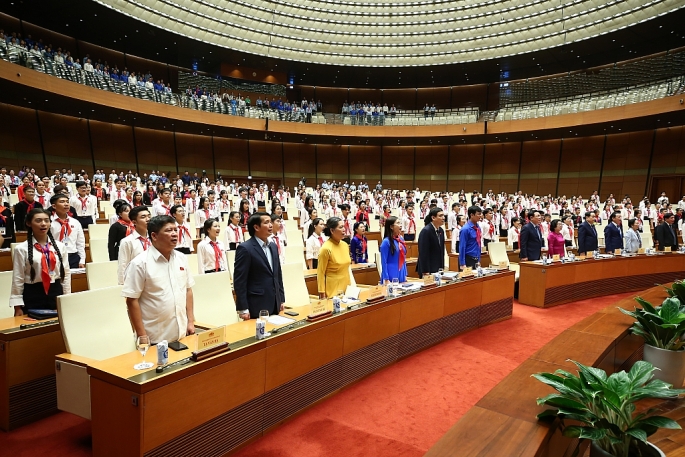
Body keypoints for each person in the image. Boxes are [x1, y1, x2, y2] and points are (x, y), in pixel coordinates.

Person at [122, 215, 195, 344]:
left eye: (175, 230)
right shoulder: (139, 263)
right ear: (154, 236)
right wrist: (142, 337)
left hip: (183, 333)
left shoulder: (182, 258)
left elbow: (188, 290)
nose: (174, 234)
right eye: (168, 230)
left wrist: (190, 321)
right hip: (156, 338)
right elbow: (132, 301)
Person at [10, 208, 71, 315]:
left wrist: (67, 296)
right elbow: (18, 278)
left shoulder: (60, 246)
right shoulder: (21, 249)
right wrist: (17, 306)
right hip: (33, 293)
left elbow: (65, 273)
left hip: (55, 291)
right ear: (29, 223)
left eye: (46, 220)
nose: (43, 224)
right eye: (38, 221)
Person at [233, 212, 285, 320]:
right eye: (266, 223)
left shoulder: (273, 246)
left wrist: (281, 298)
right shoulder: (245, 248)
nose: (271, 225)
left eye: (271, 222)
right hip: (256, 304)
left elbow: (277, 274)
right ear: (256, 227)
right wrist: (243, 308)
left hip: (275, 302)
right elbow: (240, 280)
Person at [316, 217, 352, 299]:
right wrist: (322, 292)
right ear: (332, 231)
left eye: (344, 226)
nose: (344, 229)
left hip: (347, 288)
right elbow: (320, 272)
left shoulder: (345, 245)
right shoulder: (326, 248)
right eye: (340, 227)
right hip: (333, 290)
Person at [117, 206, 151, 285]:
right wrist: (122, 285)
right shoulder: (127, 242)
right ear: (134, 222)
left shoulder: (155, 238)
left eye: (149, 216)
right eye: (143, 217)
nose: (148, 219)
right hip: (136, 281)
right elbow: (123, 266)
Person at [50, 194, 85, 268]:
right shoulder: (49, 222)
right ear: (54, 206)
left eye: (67, 202)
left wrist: (82, 260)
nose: (66, 204)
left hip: (73, 256)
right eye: (62, 202)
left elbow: (80, 242)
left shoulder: (75, 222)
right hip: (54, 256)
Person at [416, 207, 445, 276]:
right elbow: (423, 253)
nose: (443, 218)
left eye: (443, 215)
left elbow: (441, 250)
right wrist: (425, 271)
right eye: (440, 216)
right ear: (433, 218)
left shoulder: (441, 230)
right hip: (428, 269)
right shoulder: (426, 231)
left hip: (438, 269)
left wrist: (442, 267)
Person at [380, 216, 407, 283]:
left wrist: (405, 274)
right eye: (398, 223)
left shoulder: (401, 239)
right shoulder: (386, 242)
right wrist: (386, 278)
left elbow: (403, 258)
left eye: (400, 223)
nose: (400, 225)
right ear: (391, 227)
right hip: (391, 272)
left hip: (401, 271)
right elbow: (384, 262)